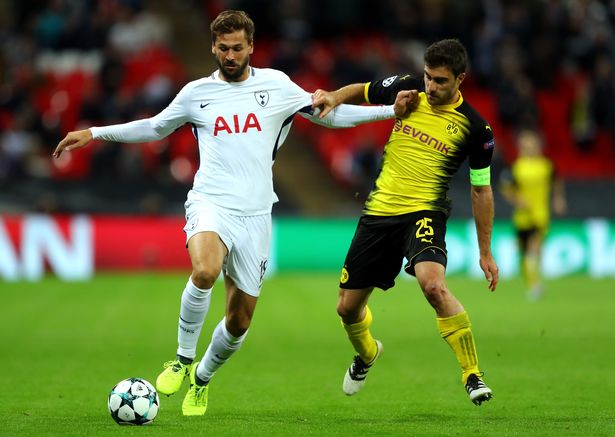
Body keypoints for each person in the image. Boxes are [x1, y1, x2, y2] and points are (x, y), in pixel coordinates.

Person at [53, 10, 410, 416]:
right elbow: (155, 127)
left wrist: (388, 112)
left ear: (251, 47)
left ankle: (201, 380)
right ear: (213, 47)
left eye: (237, 48)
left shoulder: (277, 85)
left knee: (239, 321)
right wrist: (95, 133)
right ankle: (182, 360)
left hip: (256, 213)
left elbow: (330, 115)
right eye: (223, 48)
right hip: (211, 201)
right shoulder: (196, 93)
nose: (230, 55)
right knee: (204, 270)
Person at [312, 38, 499, 406]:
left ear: (460, 79)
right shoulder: (408, 89)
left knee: (433, 287)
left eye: (440, 81)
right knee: (347, 309)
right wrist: (333, 96)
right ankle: (367, 354)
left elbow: (481, 191)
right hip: (380, 213)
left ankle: (472, 374)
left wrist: (485, 251)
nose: (430, 87)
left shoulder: (477, 129)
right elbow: (363, 89)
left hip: (424, 213)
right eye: (428, 77)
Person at [500, 129, 566, 301]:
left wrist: (558, 199)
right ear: (521, 146)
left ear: (538, 145)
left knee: (534, 248)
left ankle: (536, 286)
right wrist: (517, 200)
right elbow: (506, 189)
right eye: (525, 144)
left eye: (532, 143)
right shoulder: (516, 166)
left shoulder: (546, 165)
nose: (529, 147)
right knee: (523, 254)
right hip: (522, 216)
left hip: (540, 214)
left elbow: (556, 181)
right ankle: (532, 283)